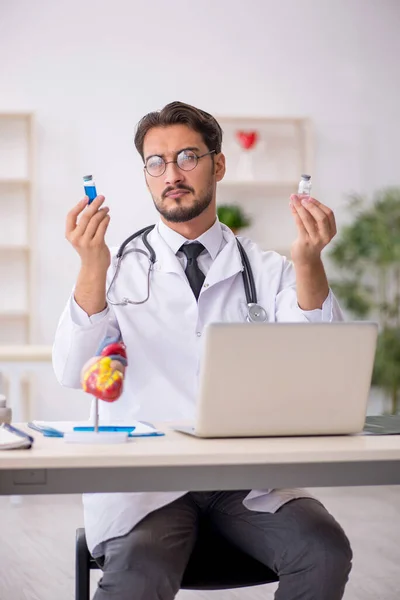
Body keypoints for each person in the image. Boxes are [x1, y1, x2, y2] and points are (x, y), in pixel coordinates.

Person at [53, 101, 352, 599]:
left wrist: (309, 262)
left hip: (247, 480)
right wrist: (90, 266)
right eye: (156, 162)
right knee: (139, 575)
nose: (172, 174)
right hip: (148, 482)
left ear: (219, 164)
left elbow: (322, 360)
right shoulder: (113, 270)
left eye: (187, 156)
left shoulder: (271, 269)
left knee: (323, 552)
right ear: (146, 176)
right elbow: (72, 368)